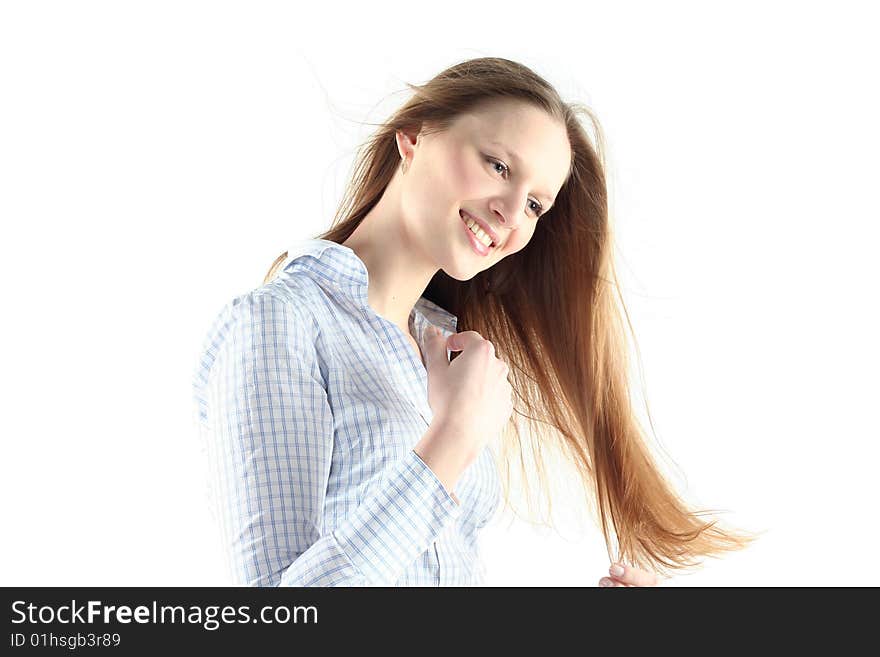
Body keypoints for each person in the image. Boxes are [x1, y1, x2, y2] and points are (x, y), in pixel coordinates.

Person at [192, 56, 759, 587]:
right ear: (414, 136)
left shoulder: (444, 349)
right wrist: (453, 438)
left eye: (536, 204)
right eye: (498, 166)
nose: (511, 215)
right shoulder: (278, 324)